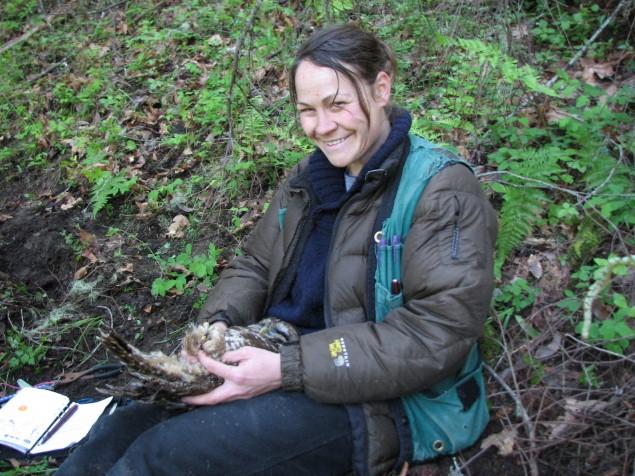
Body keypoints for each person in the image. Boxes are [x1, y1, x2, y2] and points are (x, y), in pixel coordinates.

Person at [56, 24, 497, 476]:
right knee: (121, 431)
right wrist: (217, 327)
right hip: (280, 353)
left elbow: (437, 332)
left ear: (381, 88)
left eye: (338, 104)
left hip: (383, 400)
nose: (322, 127)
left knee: (166, 455)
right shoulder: (309, 176)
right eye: (307, 110)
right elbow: (256, 263)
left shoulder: (440, 188)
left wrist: (285, 369)